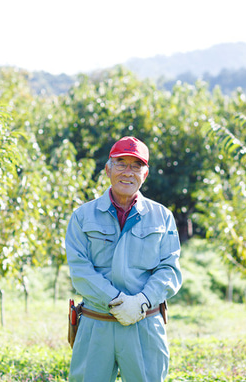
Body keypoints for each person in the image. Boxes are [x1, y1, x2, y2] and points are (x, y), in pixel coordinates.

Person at [65, 136, 183, 382]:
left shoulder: (162, 217)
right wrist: (116, 300)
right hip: (97, 324)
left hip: (144, 323)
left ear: (146, 173)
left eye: (136, 165)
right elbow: (80, 270)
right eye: (121, 163)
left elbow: (169, 269)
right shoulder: (82, 216)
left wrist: (142, 301)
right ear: (108, 169)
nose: (128, 172)